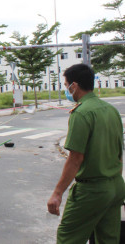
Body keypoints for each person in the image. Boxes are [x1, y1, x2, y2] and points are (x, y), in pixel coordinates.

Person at [47, 64, 125, 243]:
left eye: (66, 85)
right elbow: (119, 152)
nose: (66, 89)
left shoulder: (81, 113)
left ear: (74, 86)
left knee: (68, 237)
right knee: (108, 239)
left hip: (92, 191)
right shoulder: (111, 110)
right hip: (116, 186)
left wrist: (57, 193)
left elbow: (75, 159)